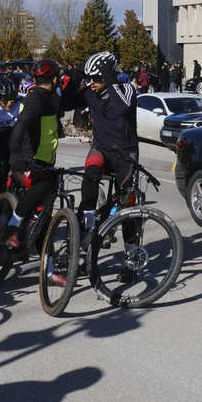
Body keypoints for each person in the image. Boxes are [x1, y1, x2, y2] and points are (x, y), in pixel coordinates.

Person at [67, 52, 140, 285]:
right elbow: (66, 102)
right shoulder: (90, 91)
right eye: (89, 79)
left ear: (108, 76)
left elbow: (120, 108)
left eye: (96, 78)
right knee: (89, 178)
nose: (91, 83)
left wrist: (109, 82)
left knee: (128, 206)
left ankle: (131, 259)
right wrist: (76, 74)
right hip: (101, 148)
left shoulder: (126, 89)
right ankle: (85, 238)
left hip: (125, 153)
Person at [5, 59, 79, 249]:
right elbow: (21, 125)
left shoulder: (51, 97)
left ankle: (48, 269)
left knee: (45, 215)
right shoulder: (36, 98)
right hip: (29, 160)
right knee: (41, 188)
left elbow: (70, 102)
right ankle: (12, 227)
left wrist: (78, 79)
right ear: (54, 79)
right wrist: (15, 155)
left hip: (45, 161)